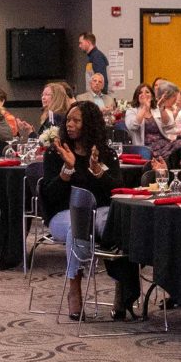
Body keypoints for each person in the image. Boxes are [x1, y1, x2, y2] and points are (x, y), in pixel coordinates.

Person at [42, 100, 122, 322]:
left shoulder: (105, 154)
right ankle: (74, 287)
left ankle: (122, 283)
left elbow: (115, 190)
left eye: (76, 120)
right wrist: (67, 170)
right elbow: (49, 196)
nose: (69, 124)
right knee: (77, 226)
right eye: (68, 119)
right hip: (62, 214)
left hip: (99, 211)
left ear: (90, 124)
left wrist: (98, 172)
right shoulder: (55, 153)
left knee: (117, 223)